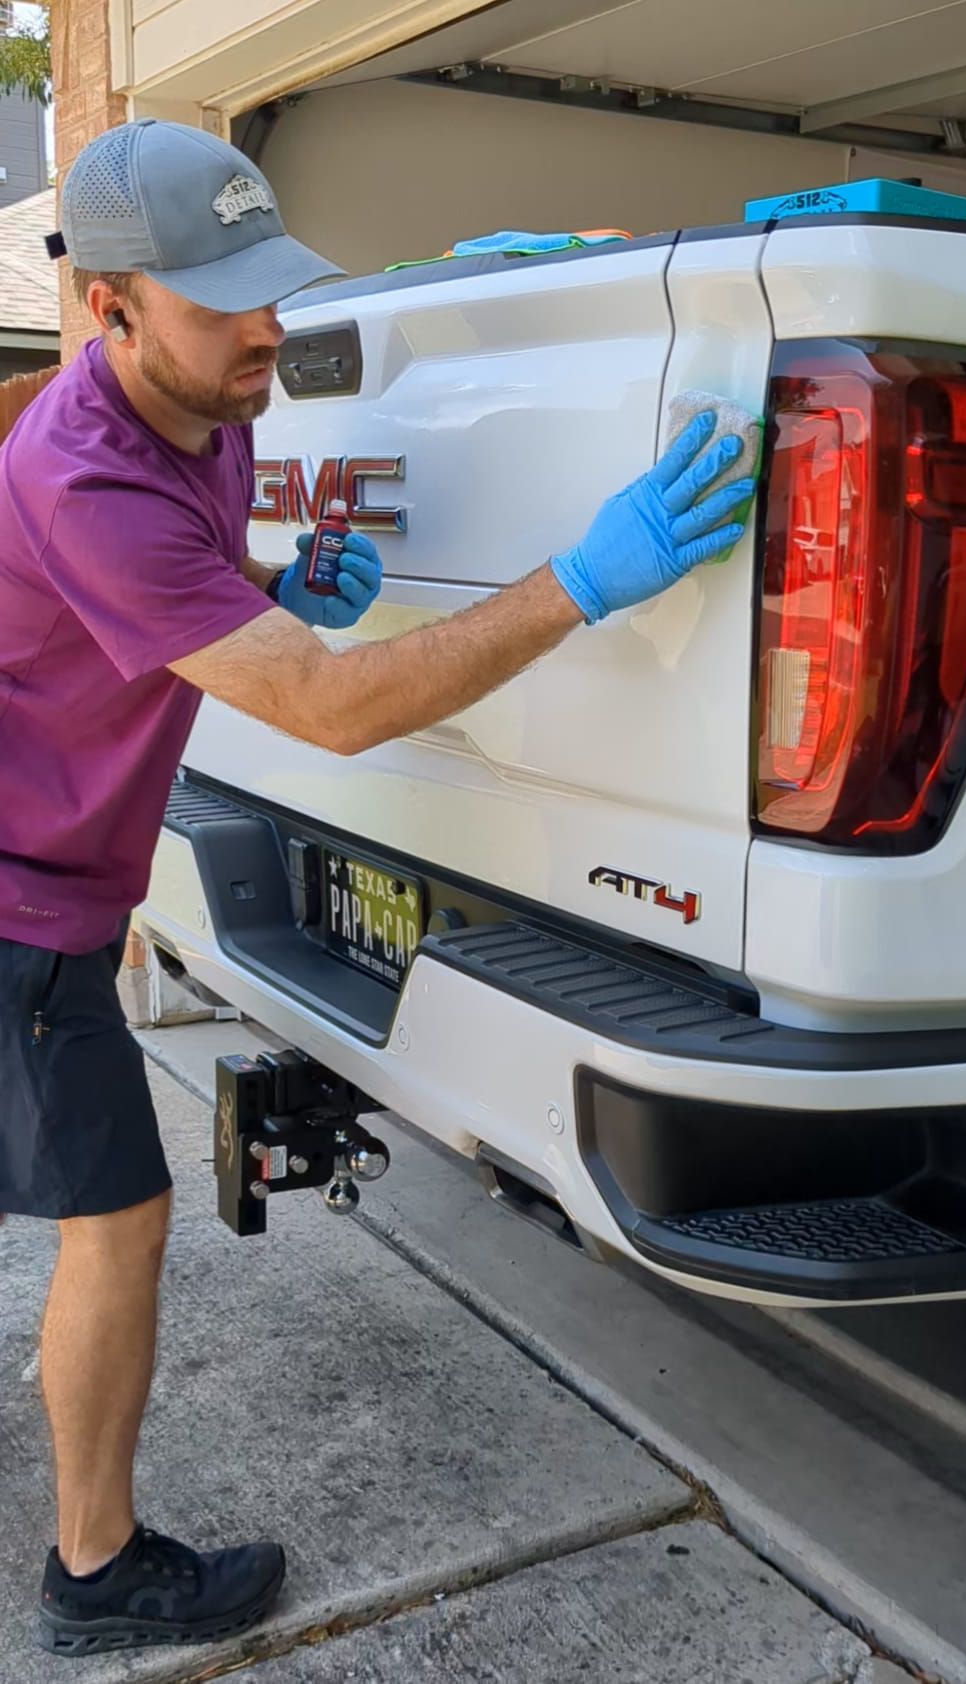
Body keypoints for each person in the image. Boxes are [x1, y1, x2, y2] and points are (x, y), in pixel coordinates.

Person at [0, 119, 756, 1659]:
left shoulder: (213, 408)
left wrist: (278, 592)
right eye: (222, 304)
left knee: (88, 1206)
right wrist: (581, 581)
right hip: (17, 898)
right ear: (112, 309)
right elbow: (335, 712)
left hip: (56, 870)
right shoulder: (86, 477)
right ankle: (92, 1574)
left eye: (270, 286)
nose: (266, 330)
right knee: (119, 1219)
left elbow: (171, 618)